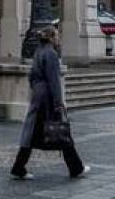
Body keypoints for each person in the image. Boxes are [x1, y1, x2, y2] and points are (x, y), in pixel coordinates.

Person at [10, 27, 90, 180]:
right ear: (52, 38)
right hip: (47, 98)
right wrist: (58, 102)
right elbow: (54, 80)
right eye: (58, 36)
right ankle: (76, 168)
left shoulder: (38, 52)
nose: (59, 39)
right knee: (62, 132)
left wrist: (36, 89)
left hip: (37, 95)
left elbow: (31, 76)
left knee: (32, 132)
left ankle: (18, 167)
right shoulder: (51, 54)